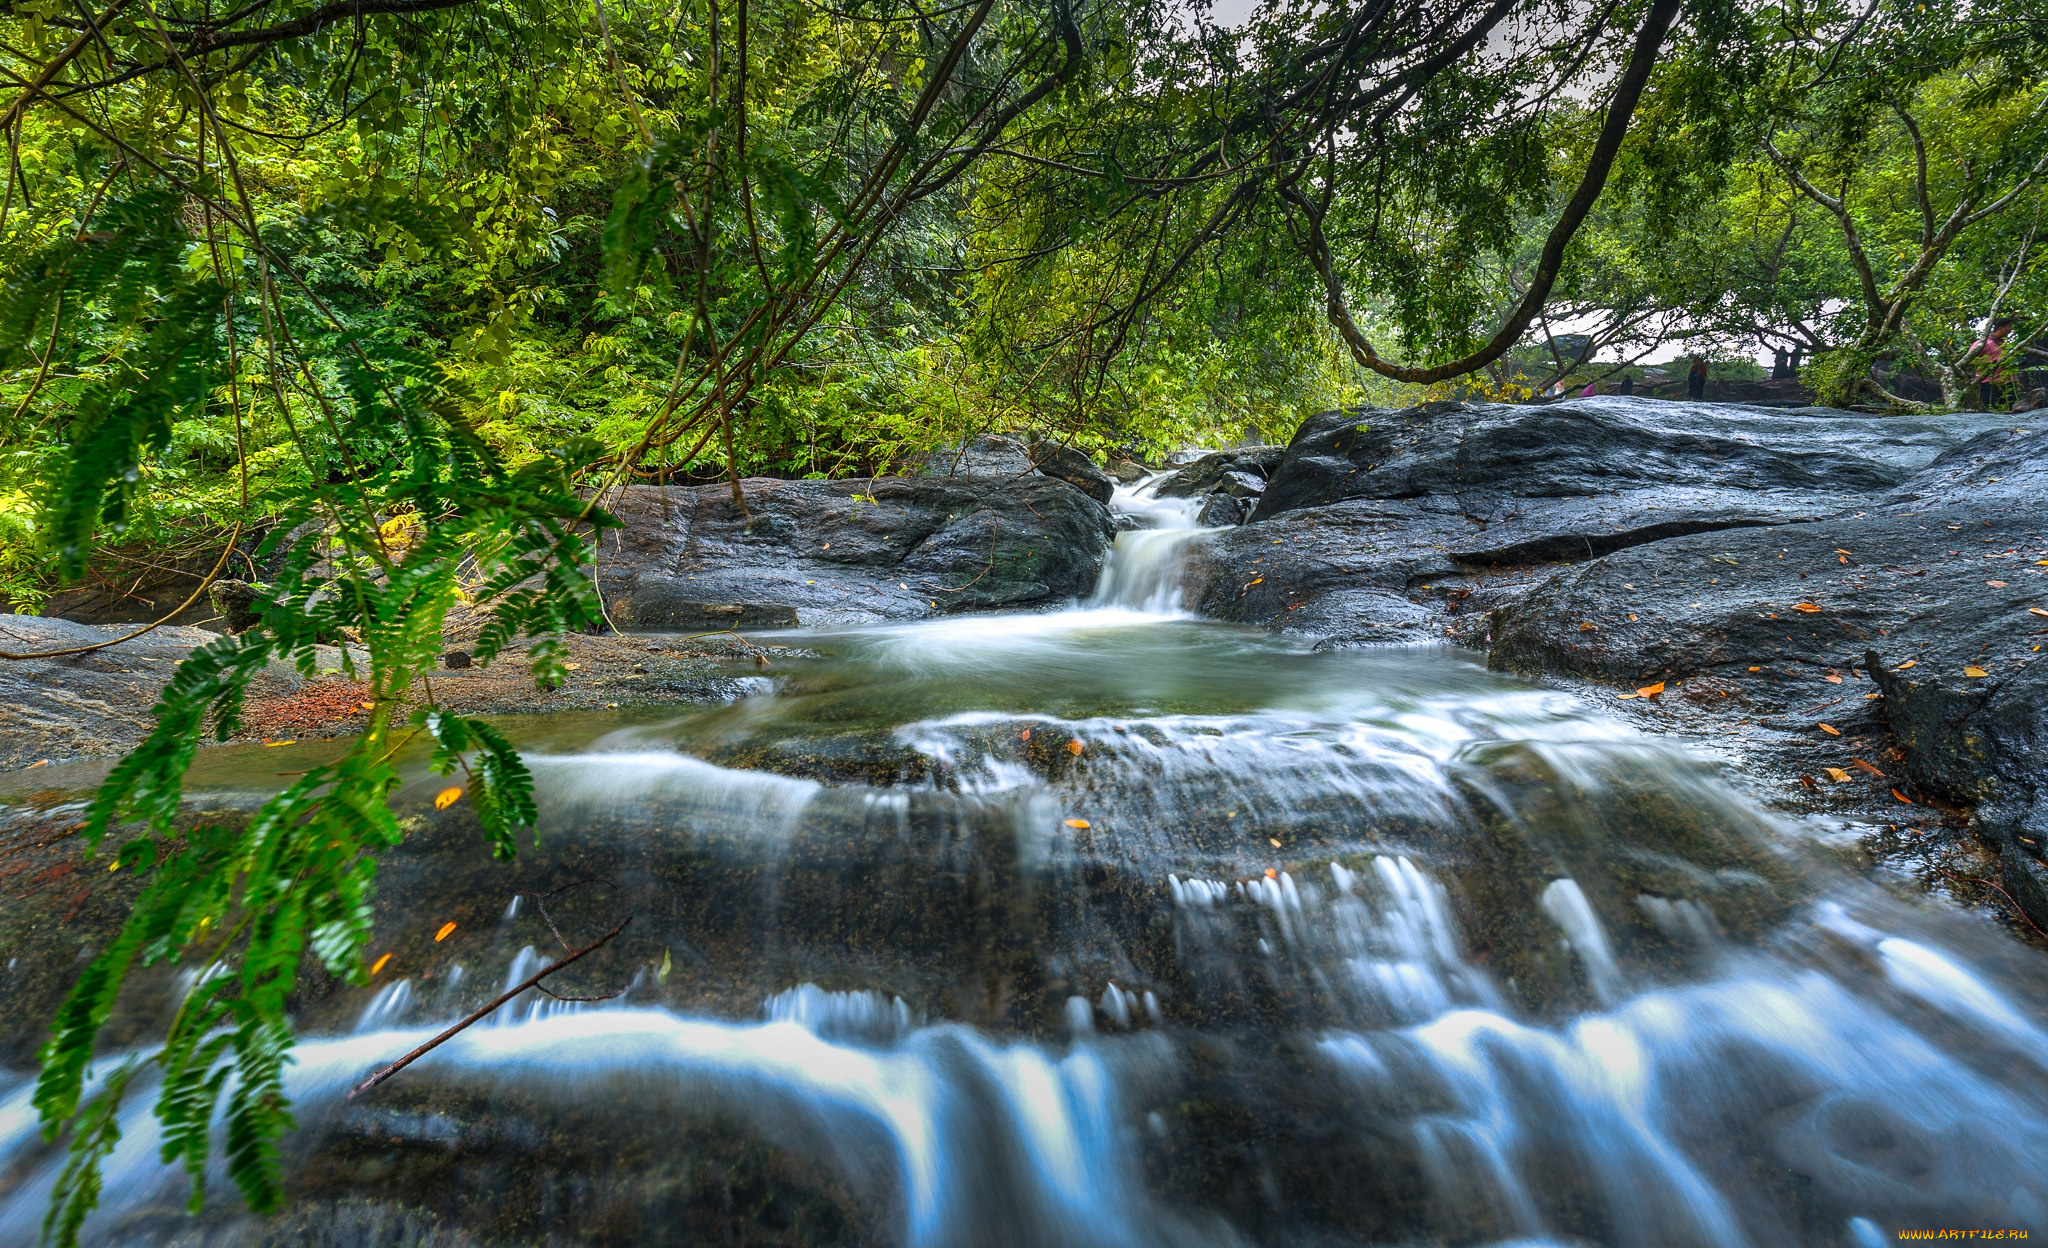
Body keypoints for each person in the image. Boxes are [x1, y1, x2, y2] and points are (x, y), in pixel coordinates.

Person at [1973, 317, 2016, 410]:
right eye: (2009, 326)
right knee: (1987, 411)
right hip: (1989, 383)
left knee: (2011, 410)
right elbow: (1971, 360)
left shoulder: (2003, 344)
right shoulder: (1983, 343)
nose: (2011, 329)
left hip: (2007, 383)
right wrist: (1990, 362)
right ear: (2000, 328)